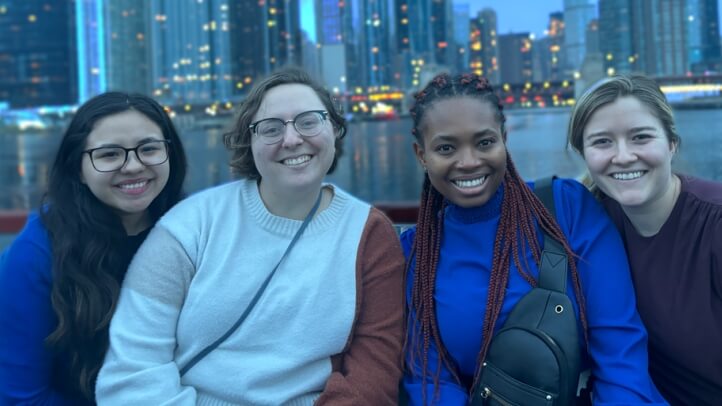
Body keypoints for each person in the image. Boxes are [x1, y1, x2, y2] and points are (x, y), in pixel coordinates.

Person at [95, 67, 405, 405]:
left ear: (334, 129)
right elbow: (132, 371)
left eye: (309, 121)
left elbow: (374, 376)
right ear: (249, 142)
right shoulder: (189, 227)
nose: (291, 139)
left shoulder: (369, 235)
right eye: (270, 129)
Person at [401, 73, 666, 405]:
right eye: (445, 148)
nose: (468, 162)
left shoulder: (565, 208)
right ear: (421, 154)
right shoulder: (417, 254)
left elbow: (619, 350)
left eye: (484, 142)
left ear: (503, 138)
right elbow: (431, 380)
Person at [0, 92, 187, 404]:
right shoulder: (37, 252)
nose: (133, 166)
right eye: (110, 155)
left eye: (149, 149)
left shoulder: (193, 229)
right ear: (78, 169)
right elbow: (20, 395)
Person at [568, 74, 722, 405]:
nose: (623, 156)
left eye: (640, 137)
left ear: (671, 143)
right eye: (602, 142)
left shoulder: (714, 224)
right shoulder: (588, 223)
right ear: (584, 153)